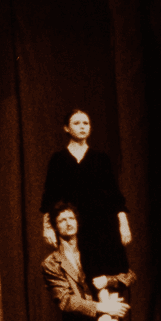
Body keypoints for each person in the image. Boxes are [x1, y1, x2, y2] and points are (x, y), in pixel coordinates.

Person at [40, 110, 132, 286]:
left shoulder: (101, 159)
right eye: (77, 123)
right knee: (78, 279)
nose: (82, 127)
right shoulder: (58, 160)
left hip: (102, 226)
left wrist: (124, 224)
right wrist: (47, 227)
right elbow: (50, 195)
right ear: (66, 128)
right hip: (73, 226)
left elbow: (114, 194)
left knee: (104, 279)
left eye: (86, 123)